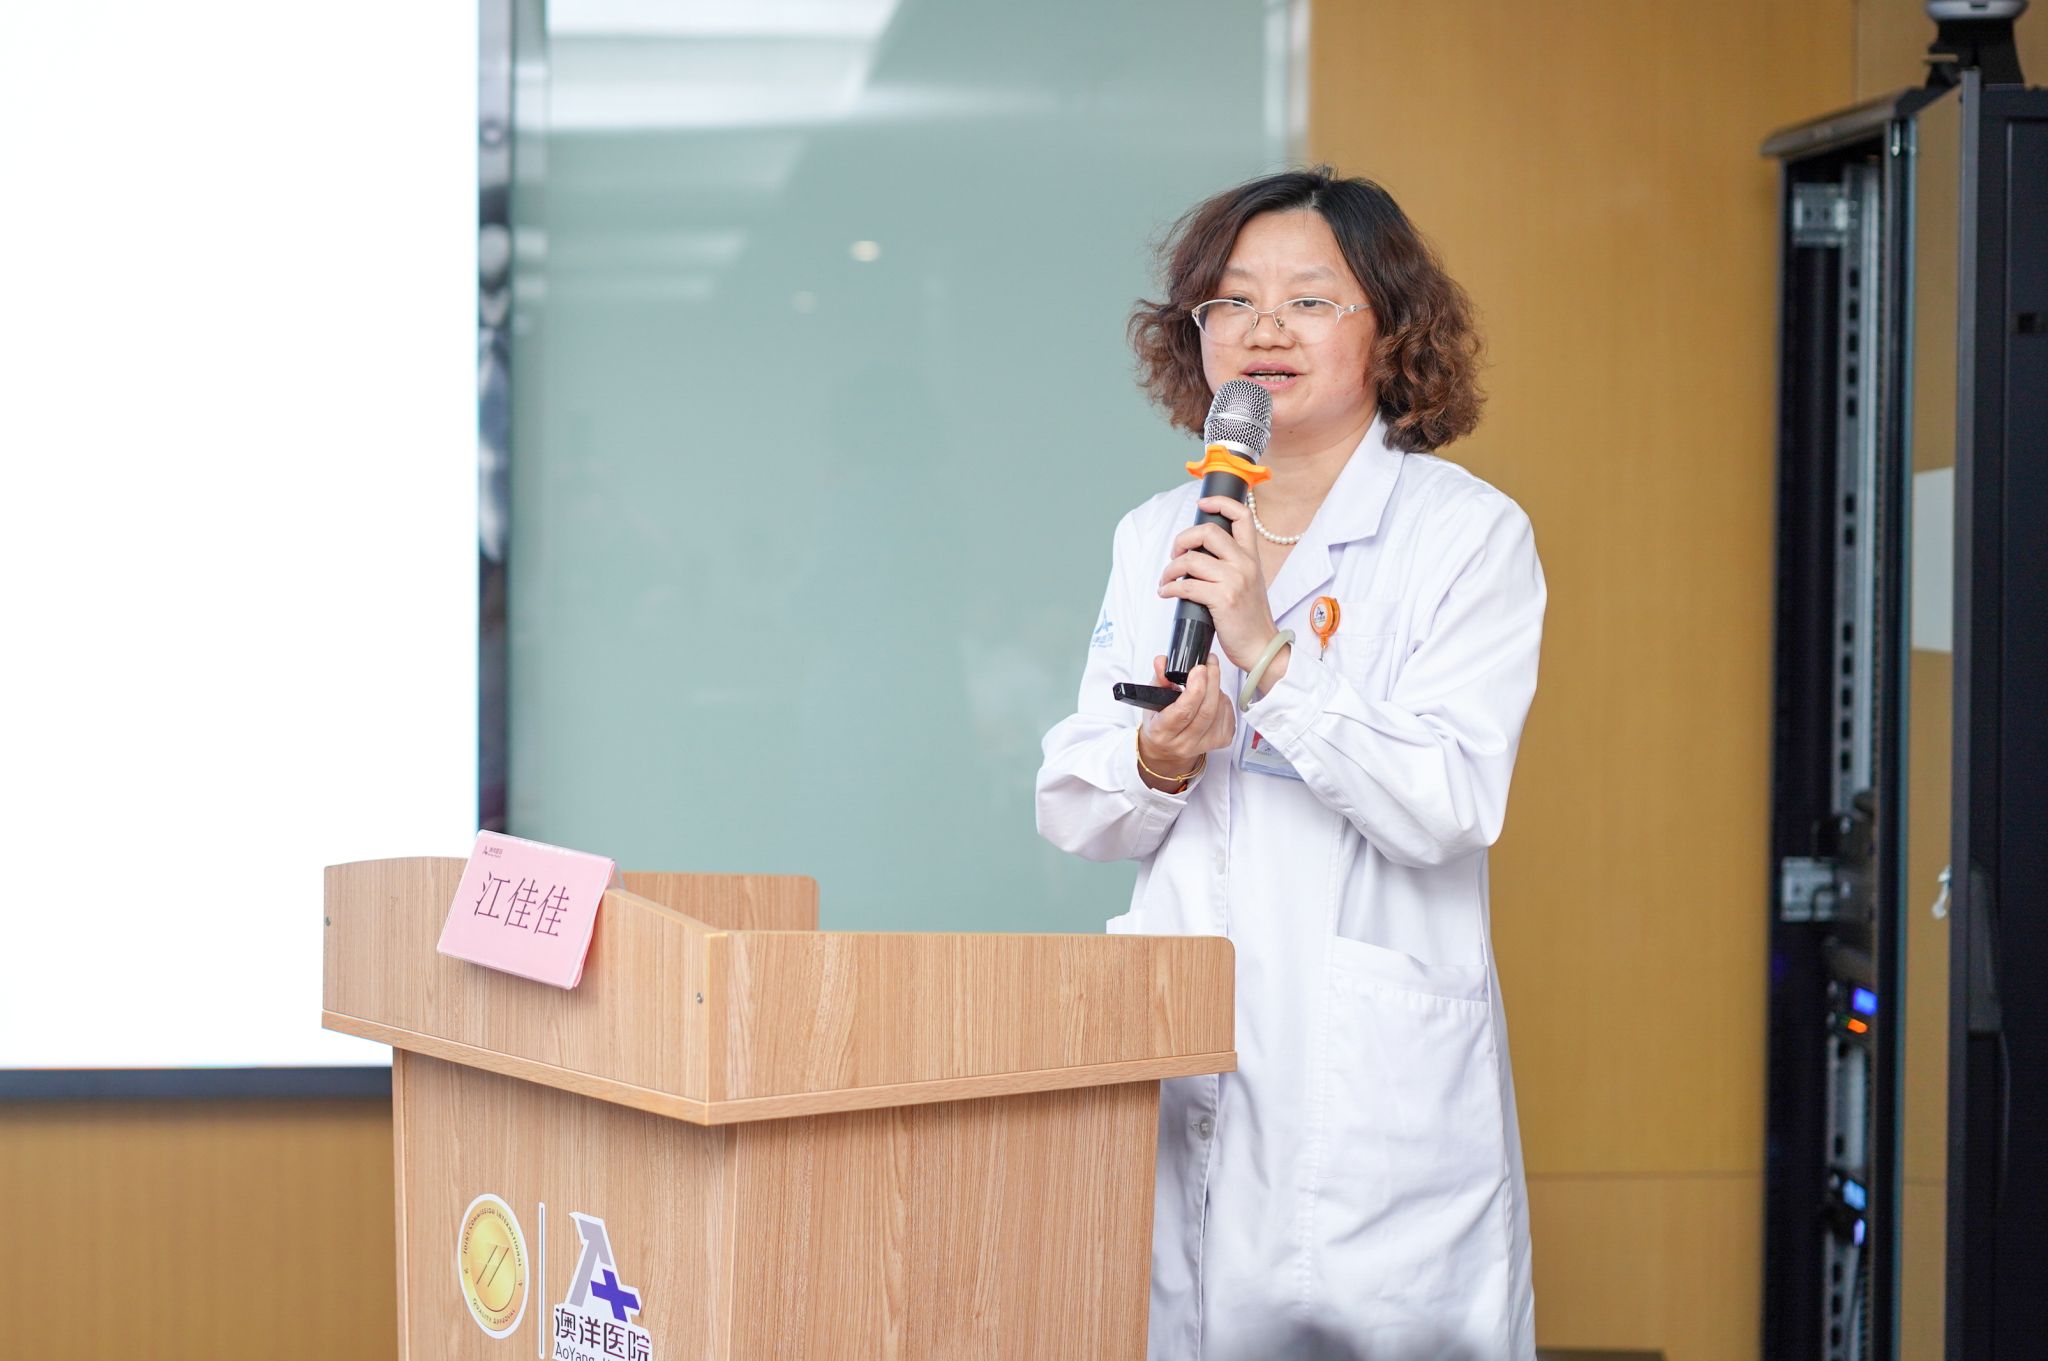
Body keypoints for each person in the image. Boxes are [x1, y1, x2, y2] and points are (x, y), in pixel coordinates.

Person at [1035, 167, 1545, 1361]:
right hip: (1183, 1051)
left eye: (1309, 300)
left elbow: (1448, 798)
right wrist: (1158, 758)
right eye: (1232, 301)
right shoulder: (1158, 534)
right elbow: (1073, 803)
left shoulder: (1464, 534)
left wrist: (1268, 656)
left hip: (1368, 1087)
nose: (1264, 329)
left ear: (1389, 328)